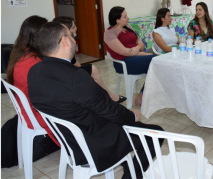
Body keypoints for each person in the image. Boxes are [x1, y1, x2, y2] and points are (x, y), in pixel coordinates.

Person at [28, 21, 164, 179]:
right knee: (156, 133)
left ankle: (128, 164)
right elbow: (109, 110)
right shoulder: (75, 76)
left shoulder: (34, 72)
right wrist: (133, 116)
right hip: (95, 144)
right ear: (64, 41)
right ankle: (131, 176)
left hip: (71, 141)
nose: (74, 39)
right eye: (71, 36)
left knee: (127, 123)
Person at [6, 16, 60, 147]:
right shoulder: (34, 64)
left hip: (28, 111)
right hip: (38, 114)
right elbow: (53, 94)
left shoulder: (23, 54)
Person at [53, 16, 126, 103]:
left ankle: (106, 97)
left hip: (68, 71)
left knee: (92, 76)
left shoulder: (58, 43)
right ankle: (108, 96)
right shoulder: (65, 46)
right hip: (64, 75)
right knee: (92, 72)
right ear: (66, 31)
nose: (76, 29)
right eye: (73, 27)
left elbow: (74, 63)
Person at [104, 7, 155, 106]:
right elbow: (124, 52)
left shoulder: (128, 27)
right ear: (117, 20)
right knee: (155, 60)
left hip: (136, 59)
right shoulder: (109, 33)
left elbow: (142, 44)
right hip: (124, 63)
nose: (128, 18)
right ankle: (143, 95)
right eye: (125, 16)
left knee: (158, 64)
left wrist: (137, 48)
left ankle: (143, 94)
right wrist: (142, 53)